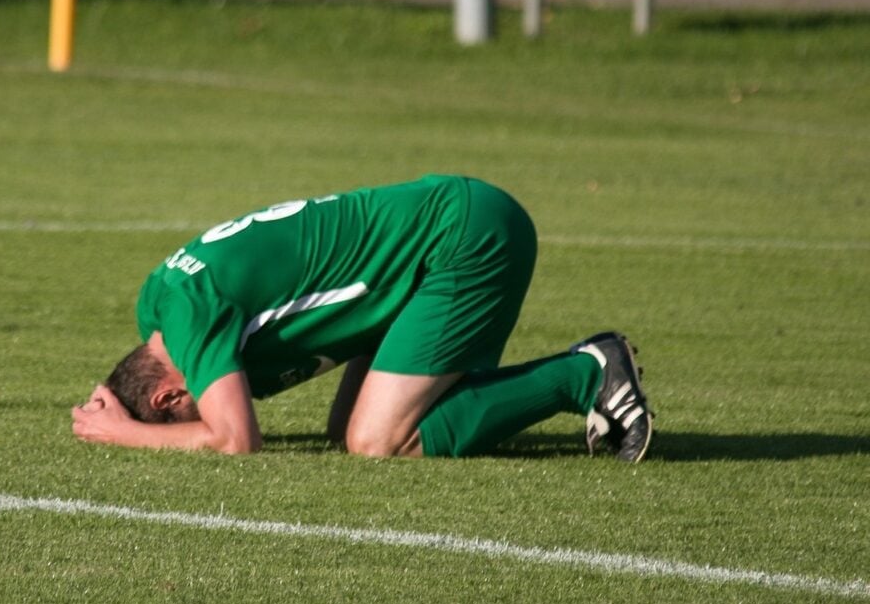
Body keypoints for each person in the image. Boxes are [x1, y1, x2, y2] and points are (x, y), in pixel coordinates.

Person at [71, 174, 654, 462]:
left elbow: (235, 441)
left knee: (378, 440)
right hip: (437, 242)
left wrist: (123, 432)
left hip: (461, 240)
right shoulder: (158, 304)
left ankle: (586, 373)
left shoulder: (189, 319)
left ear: (170, 398)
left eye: (181, 413)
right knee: (347, 428)